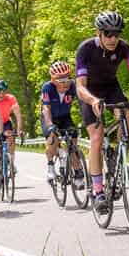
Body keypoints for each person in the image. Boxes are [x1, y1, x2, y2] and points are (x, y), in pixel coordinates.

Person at [75, 11, 129, 215]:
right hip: (89, 92)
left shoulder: (124, 48)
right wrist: (93, 100)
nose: (113, 38)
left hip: (111, 87)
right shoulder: (86, 49)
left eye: (117, 33)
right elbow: (80, 86)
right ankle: (98, 191)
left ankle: (120, 154)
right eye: (108, 33)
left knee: (126, 113)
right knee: (97, 138)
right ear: (99, 32)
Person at [41, 60, 83, 188]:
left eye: (67, 78)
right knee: (53, 138)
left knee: (73, 144)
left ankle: (77, 173)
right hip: (50, 117)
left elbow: (82, 102)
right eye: (60, 80)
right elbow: (46, 108)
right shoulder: (47, 87)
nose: (65, 83)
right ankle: (50, 167)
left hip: (65, 117)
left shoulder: (73, 86)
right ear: (53, 79)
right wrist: (50, 125)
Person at [0, 79, 24, 178]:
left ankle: (11, 161)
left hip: (5, 122)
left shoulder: (11, 98)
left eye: (3, 91)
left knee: (10, 138)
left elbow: (18, 114)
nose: (1, 94)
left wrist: (19, 129)